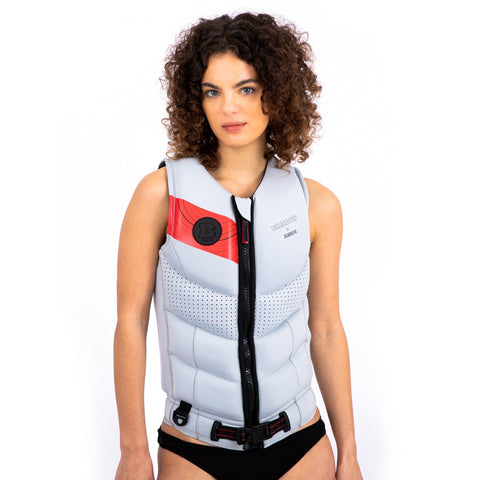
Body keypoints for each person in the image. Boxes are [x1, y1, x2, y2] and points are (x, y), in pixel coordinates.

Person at [114, 12, 363, 480]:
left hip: (300, 443)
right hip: (194, 448)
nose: (229, 107)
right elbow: (130, 323)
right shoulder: (160, 195)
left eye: (246, 88)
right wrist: (132, 450)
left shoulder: (317, 205)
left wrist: (349, 451)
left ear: (278, 92)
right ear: (195, 100)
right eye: (213, 91)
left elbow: (327, 328)